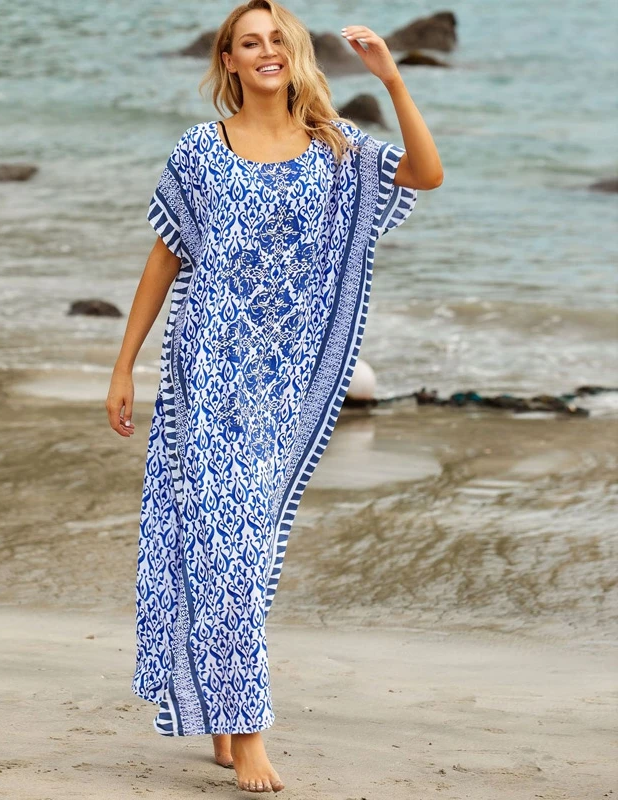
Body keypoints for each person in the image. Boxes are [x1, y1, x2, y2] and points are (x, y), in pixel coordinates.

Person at [105, 0, 443, 793]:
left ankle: (221, 711)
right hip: (205, 375)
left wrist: (392, 81)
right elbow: (165, 258)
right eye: (249, 42)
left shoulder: (334, 147)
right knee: (221, 546)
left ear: (293, 53)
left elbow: (425, 175)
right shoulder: (201, 149)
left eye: (277, 40)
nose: (266, 52)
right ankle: (247, 730)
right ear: (227, 59)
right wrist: (124, 367)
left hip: (284, 386)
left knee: (245, 554)